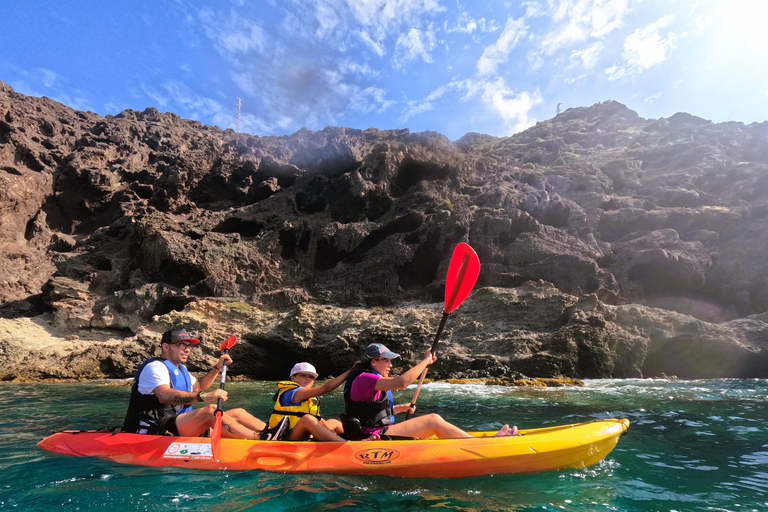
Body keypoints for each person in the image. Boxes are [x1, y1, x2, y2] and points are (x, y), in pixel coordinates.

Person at [344, 343, 519, 439]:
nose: (391, 365)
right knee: (432, 420)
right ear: (374, 361)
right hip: (372, 437)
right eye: (387, 361)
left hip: (377, 431)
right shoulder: (364, 378)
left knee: (432, 426)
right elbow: (402, 382)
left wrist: (398, 409)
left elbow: (369, 412)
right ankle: (480, 446)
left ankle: (473, 441)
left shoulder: (368, 379)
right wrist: (426, 361)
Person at [122, 327, 265, 439]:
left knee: (239, 413)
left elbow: (200, 387)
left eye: (188, 345)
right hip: (154, 427)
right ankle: (258, 438)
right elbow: (164, 395)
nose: (187, 349)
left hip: (180, 424)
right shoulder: (155, 367)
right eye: (181, 344)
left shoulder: (181, 370)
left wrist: (217, 368)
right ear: (166, 347)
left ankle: (275, 434)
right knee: (210, 411)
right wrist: (203, 397)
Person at [267, 361, 361, 441]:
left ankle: (358, 439)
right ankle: (345, 443)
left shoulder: (308, 396)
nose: (308, 379)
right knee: (308, 419)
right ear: (293, 378)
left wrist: (329, 430)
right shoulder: (293, 393)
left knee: (334, 422)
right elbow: (327, 388)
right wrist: (350, 371)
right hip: (288, 435)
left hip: (306, 432)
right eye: (303, 375)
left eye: (311, 377)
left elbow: (317, 416)